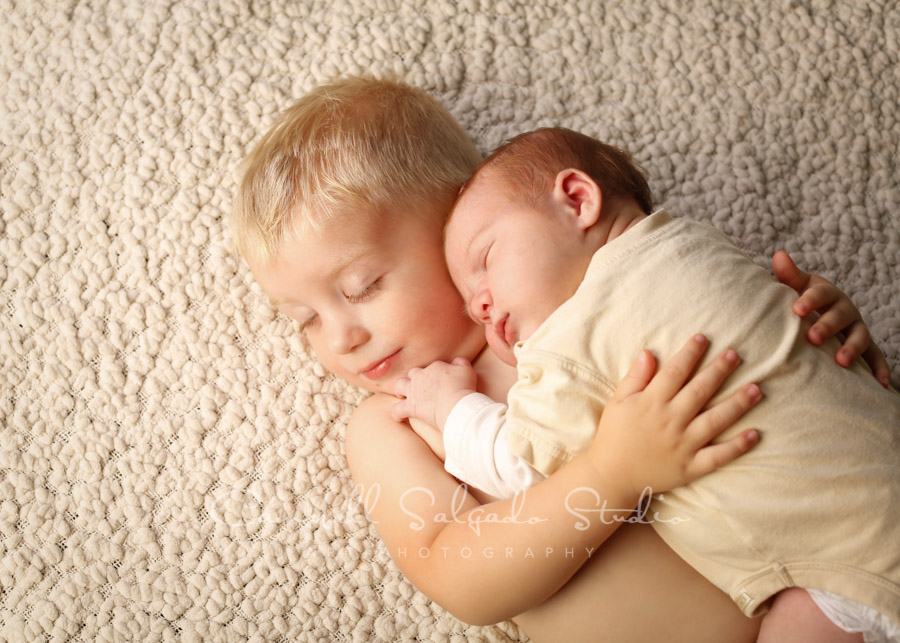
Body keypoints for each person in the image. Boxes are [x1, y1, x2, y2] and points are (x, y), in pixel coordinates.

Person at [231, 77, 889, 642]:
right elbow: (457, 571)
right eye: (305, 320)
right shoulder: (394, 421)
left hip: (831, 587)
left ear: (458, 223)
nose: (340, 336)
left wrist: (822, 327)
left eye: (362, 287)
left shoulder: (596, 285)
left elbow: (760, 364)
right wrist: (611, 474)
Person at [392, 126, 900, 642]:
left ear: (577, 199)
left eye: (485, 260)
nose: (480, 303)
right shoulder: (704, 244)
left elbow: (524, 473)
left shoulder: (573, 335)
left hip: (841, 572)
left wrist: (451, 406)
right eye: (471, 304)